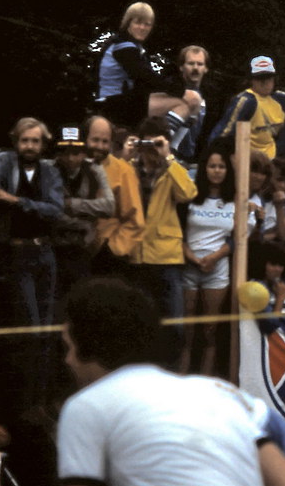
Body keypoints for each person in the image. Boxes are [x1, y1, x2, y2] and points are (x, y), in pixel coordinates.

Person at [57, 277, 285, 486]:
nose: (67, 360)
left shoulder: (85, 406)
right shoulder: (216, 392)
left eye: (68, 346)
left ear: (87, 345)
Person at [127, 117, 198, 369]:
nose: (150, 149)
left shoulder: (172, 170)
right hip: (136, 257)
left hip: (166, 258)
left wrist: (168, 158)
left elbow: (188, 194)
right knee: (140, 326)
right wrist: (129, 156)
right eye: (148, 143)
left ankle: (171, 371)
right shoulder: (129, 169)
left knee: (174, 327)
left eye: (156, 143)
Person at [0, 117, 64, 327]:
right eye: (25, 140)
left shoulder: (50, 173)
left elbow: (55, 210)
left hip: (45, 252)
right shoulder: (4, 165)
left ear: (43, 144)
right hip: (17, 253)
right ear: (16, 142)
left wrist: (17, 201)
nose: (30, 146)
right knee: (29, 320)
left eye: (35, 141)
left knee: (47, 320)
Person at [181, 143, 243, 377]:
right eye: (212, 166)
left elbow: (237, 238)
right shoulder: (190, 196)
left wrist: (214, 257)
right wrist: (193, 258)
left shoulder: (234, 200)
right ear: (204, 169)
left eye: (221, 166)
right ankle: (182, 378)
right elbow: (179, 233)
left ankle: (207, 379)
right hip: (189, 265)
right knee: (186, 330)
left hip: (217, 269)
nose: (216, 170)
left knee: (210, 331)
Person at [96, 2, 201, 128]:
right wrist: (175, 89)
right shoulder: (123, 47)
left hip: (125, 101)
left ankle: (167, 139)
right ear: (128, 23)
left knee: (192, 98)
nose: (142, 28)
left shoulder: (133, 47)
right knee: (184, 102)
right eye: (138, 23)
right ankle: (168, 143)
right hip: (114, 104)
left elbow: (147, 80)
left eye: (147, 24)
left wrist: (173, 89)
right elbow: (143, 76)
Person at [210, 56, 285, 158]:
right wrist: (213, 155)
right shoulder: (246, 100)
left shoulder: (279, 97)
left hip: (275, 151)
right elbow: (224, 131)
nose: (264, 82)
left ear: (274, 79)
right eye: (259, 78)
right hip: (252, 157)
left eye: (267, 78)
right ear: (252, 80)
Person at [49, 126, 115, 302]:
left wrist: (72, 204)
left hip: (83, 248)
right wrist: (83, 224)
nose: (70, 158)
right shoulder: (49, 170)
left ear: (84, 153)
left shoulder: (94, 169)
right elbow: (51, 211)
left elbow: (109, 206)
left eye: (76, 152)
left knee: (80, 297)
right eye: (65, 152)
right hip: (55, 245)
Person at [85, 115, 145, 279]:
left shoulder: (123, 171)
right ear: (85, 139)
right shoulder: (72, 164)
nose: (100, 146)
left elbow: (135, 220)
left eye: (105, 142)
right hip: (72, 253)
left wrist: (112, 250)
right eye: (95, 140)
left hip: (105, 260)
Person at [165, 45, 211, 164]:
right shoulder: (171, 92)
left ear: (206, 68)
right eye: (191, 63)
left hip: (187, 160)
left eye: (200, 64)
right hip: (167, 156)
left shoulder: (203, 97)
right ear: (181, 67)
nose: (195, 68)